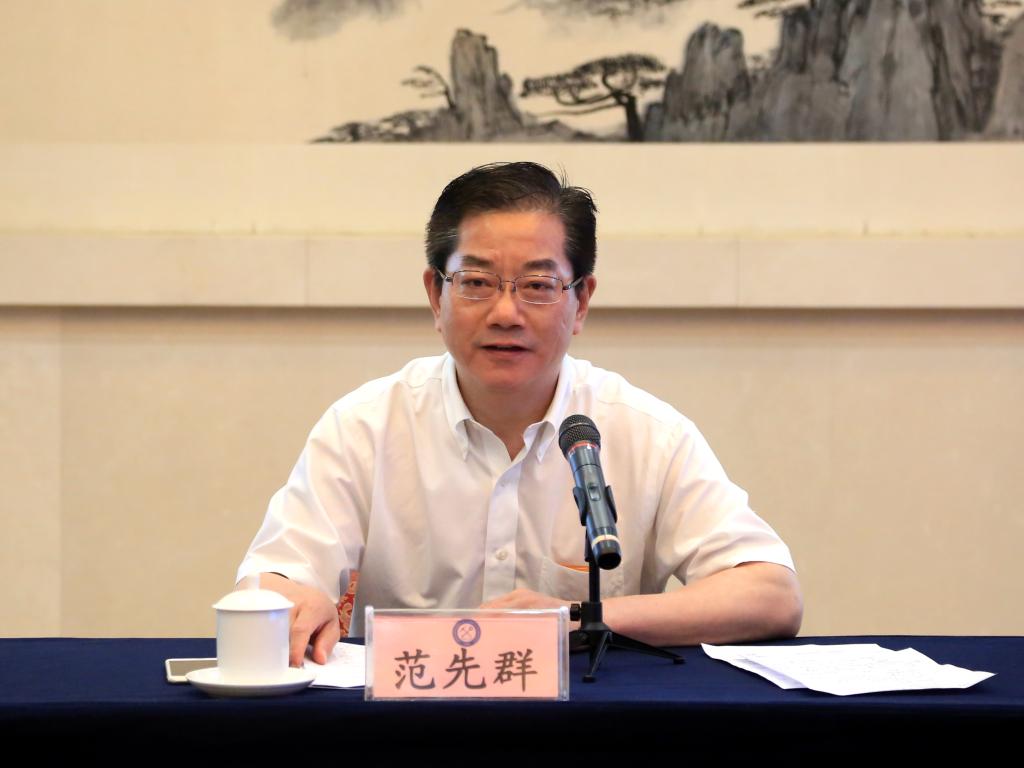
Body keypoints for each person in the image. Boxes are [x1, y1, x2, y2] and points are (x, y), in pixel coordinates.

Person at [237, 161, 802, 667]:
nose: (506, 312)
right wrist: (293, 599)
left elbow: (771, 596)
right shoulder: (363, 428)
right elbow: (271, 582)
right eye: (477, 283)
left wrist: (577, 619)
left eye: (537, 285)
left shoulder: (647, 434)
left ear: (581, 302)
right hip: (408, 729)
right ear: (436, 295)